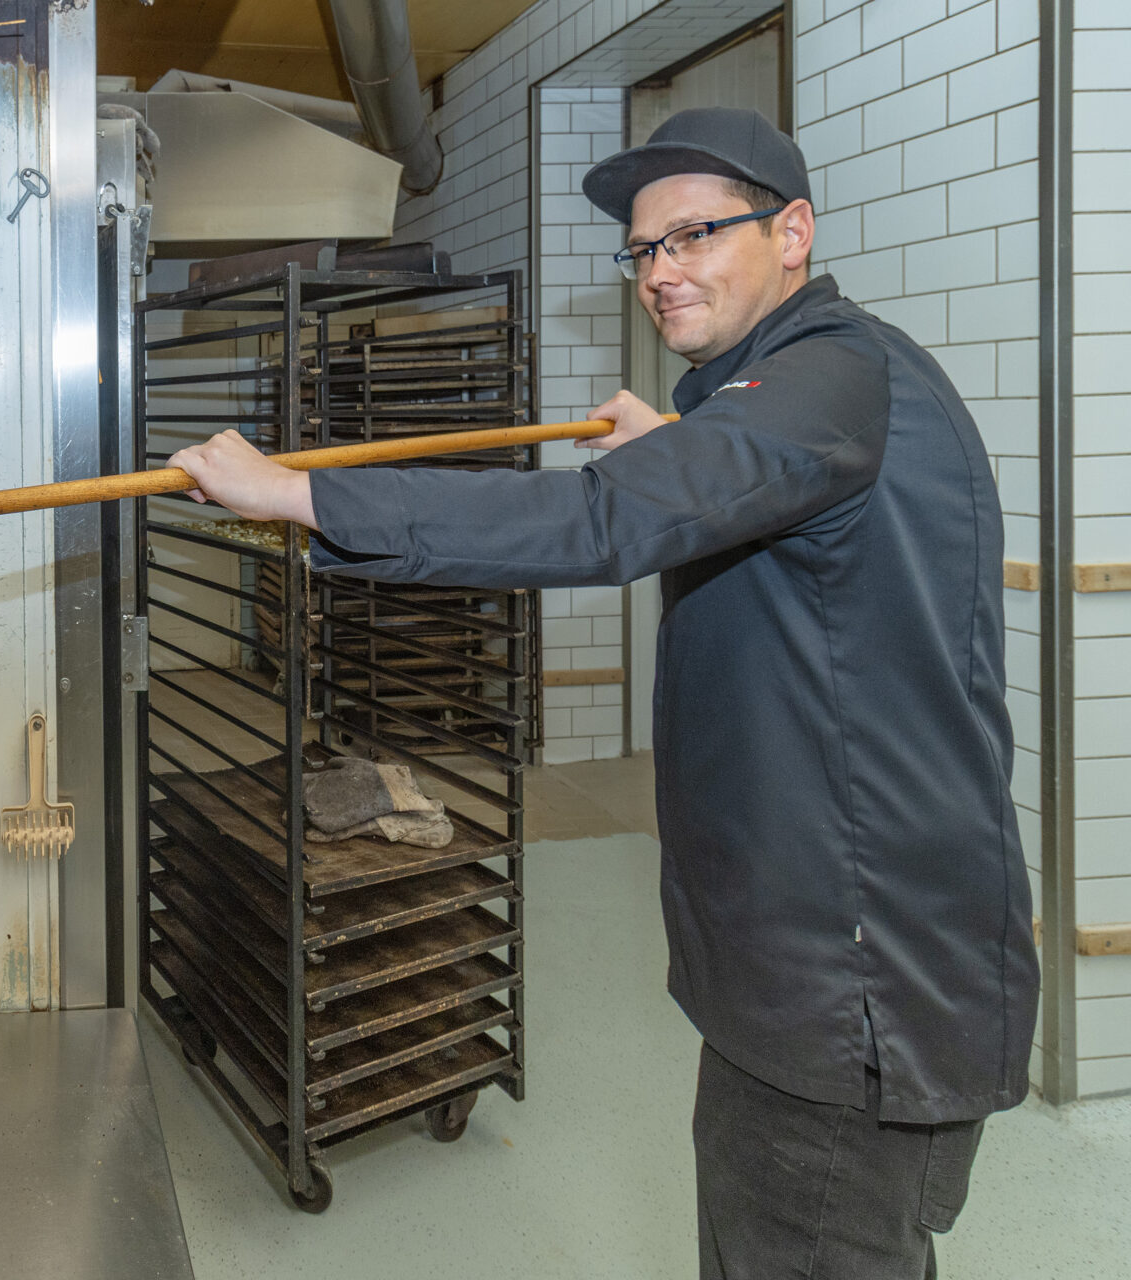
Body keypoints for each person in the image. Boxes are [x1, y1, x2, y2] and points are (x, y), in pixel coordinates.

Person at [168, 107, 1039, 1279]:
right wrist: (680, 439)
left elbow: (597, 522)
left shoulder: (832, 376)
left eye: (695, 235)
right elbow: (775, 505)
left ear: (792, 232)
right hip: (821, 957)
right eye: (643, 249)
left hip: (854, 982)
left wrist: (303, 494)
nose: (660, 271)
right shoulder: (803, 385)